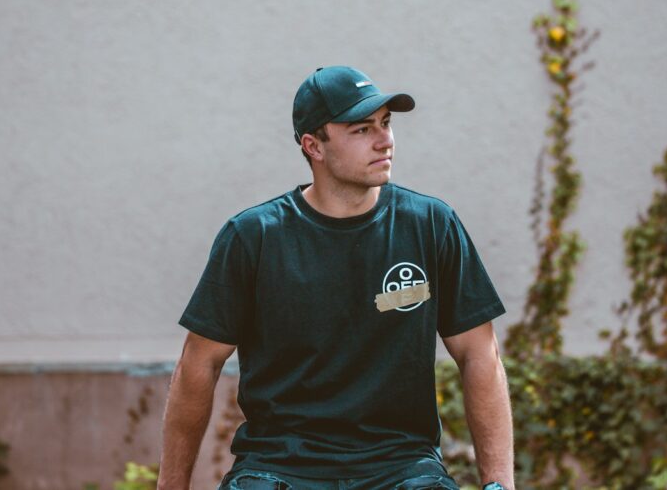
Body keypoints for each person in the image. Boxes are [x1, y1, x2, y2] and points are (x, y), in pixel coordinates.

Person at [158, 66, 514, 490]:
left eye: (386, 124)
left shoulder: (430, 225)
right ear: (314, 146)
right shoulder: (255, 236)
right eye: (362, 129)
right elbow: (199, 363)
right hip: (278, 466)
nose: (385, 140)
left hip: (402, 466)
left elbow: (480, 356)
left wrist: (499, 485)